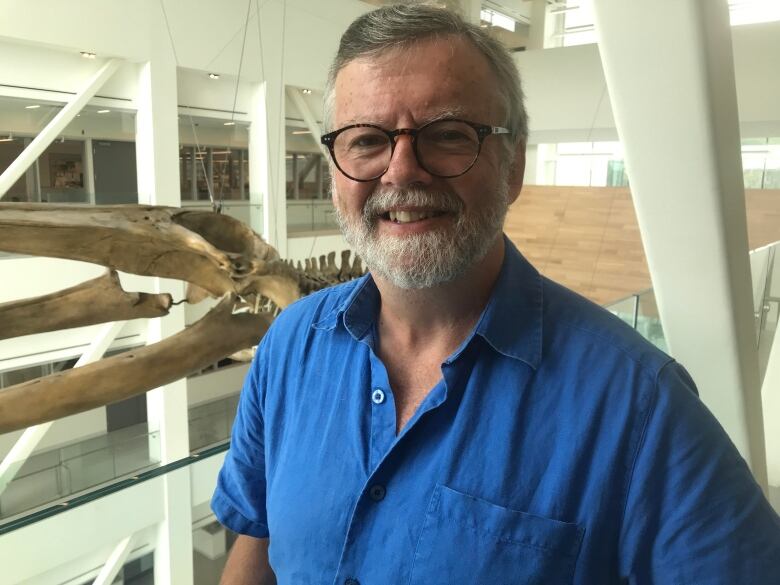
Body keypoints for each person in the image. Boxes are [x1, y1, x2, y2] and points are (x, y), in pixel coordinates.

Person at [212, 5, 780, 584]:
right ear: (337, 169)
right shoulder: (288, 347)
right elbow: (256, 538)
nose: (402, 171)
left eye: (448, 135)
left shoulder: (640, 405)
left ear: (513, 164)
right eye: (366, 141)